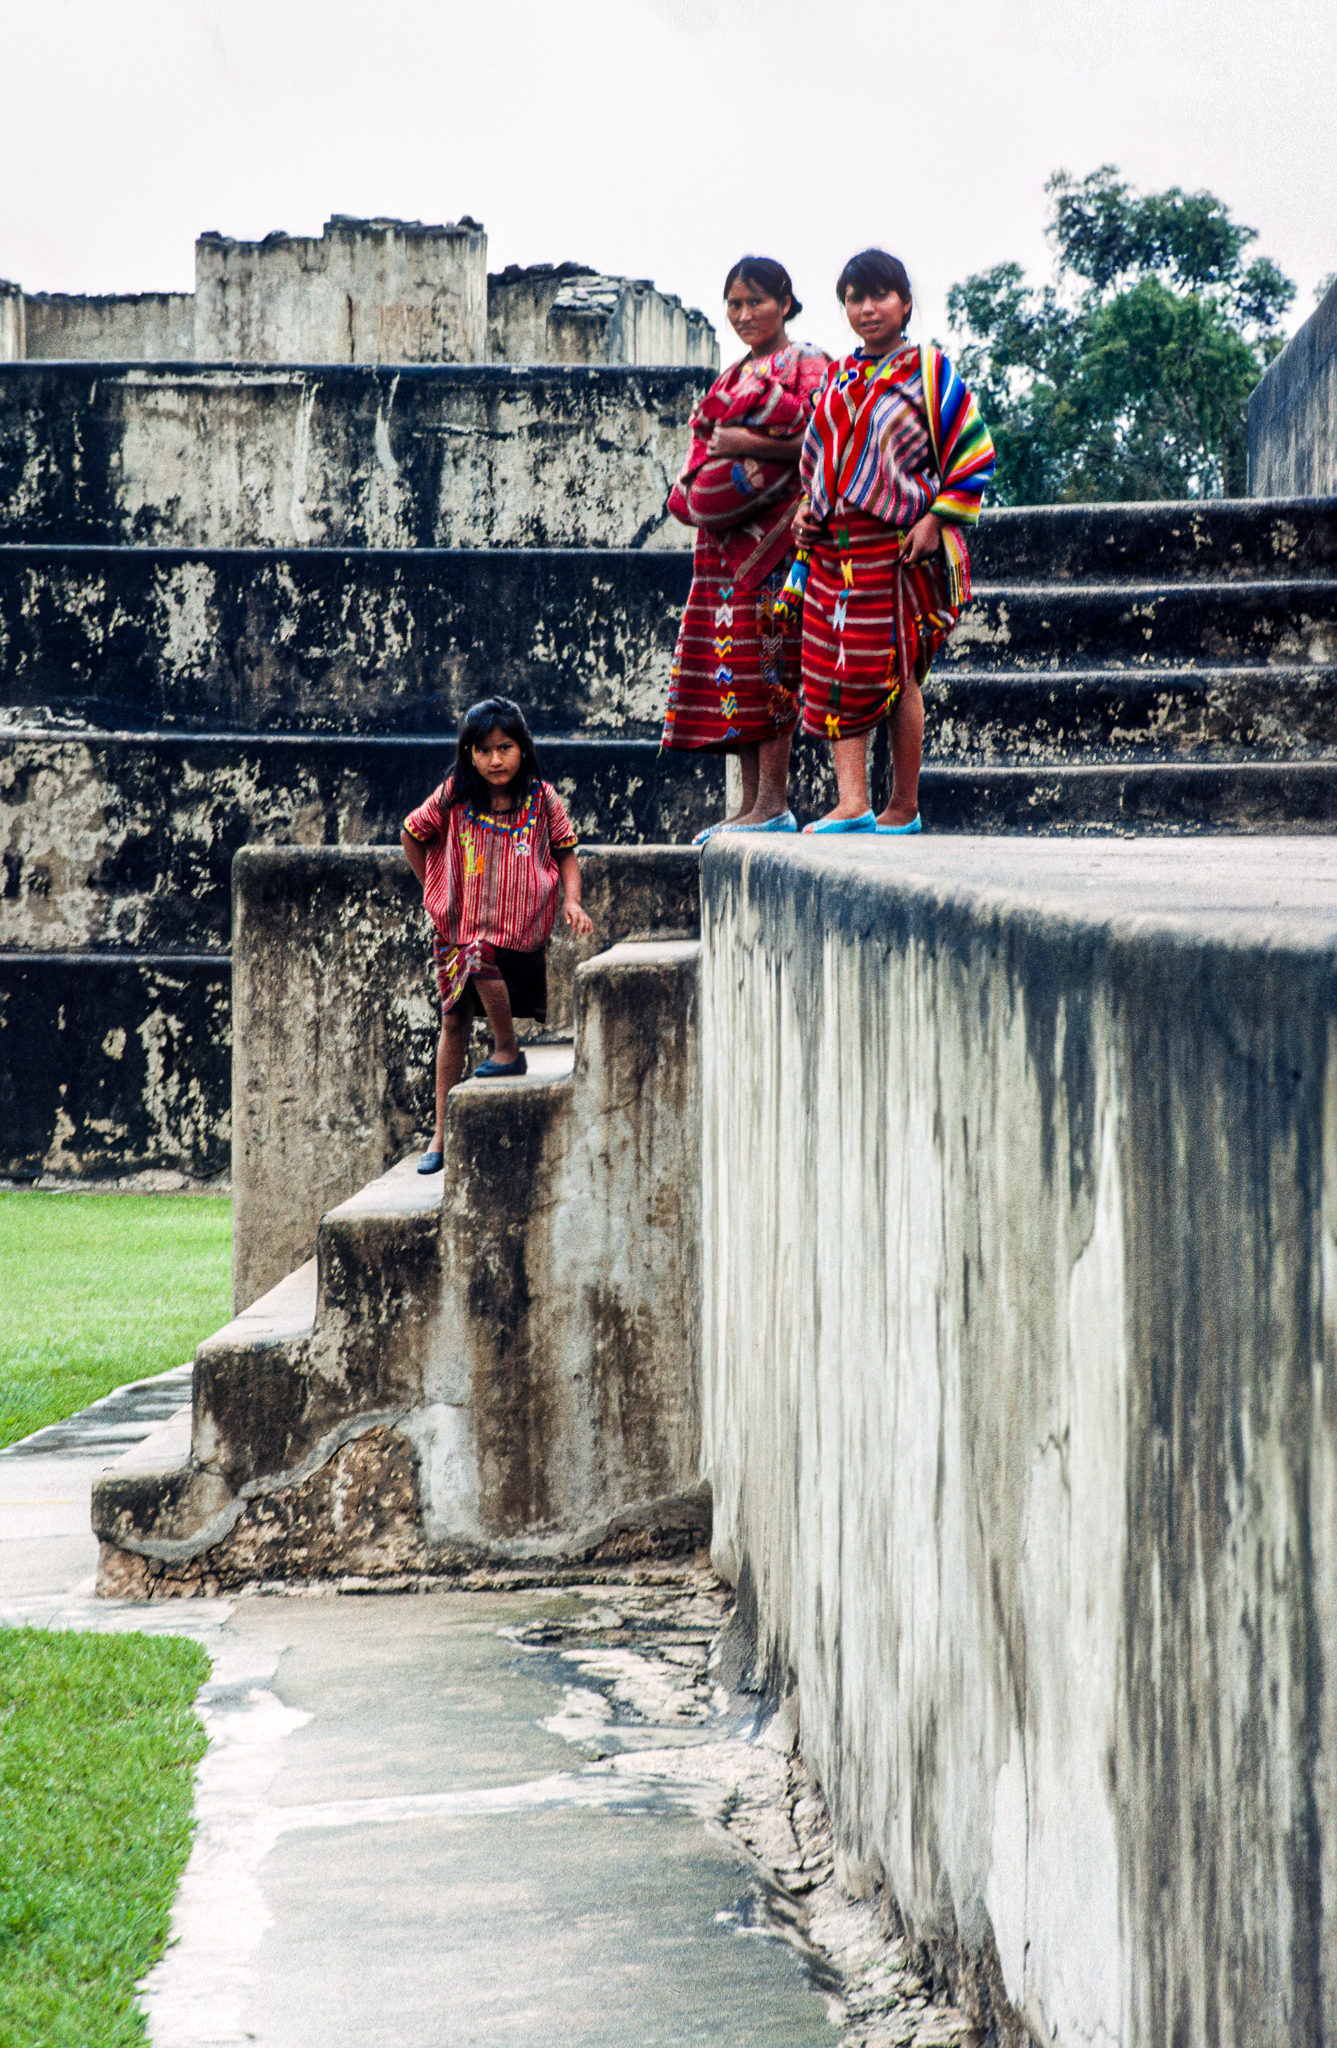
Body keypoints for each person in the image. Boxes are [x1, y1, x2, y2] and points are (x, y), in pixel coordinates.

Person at [787, 250, 995, 834]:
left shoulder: (930, 373)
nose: (867, 308)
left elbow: (972, 453)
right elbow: (817, 462)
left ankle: (902, 806)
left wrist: (936, 520)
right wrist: (807, 511)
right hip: (832, 549)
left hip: (897, 545)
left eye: (879, 295)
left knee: (898, 670)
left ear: (904, 303)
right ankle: (852, 802)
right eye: (855, 297)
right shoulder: (835, 378)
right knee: (833, 669)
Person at [661, 256, 829, 840]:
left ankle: (774, 803)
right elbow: (697, 459)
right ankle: (750, 803)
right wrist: (698, 484)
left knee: (772, 669)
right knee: (735, 673)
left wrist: (740, 441)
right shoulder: (729, 379)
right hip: (722, 558)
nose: (743, 314)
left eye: (756, 301)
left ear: (785, 302)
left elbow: (824, 436)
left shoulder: (809, 363)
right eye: (734, 303)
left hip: (780, 545)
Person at [401, 697, 593, 1176]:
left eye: (504, 747)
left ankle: (506, 1049)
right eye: (483, 750)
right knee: (453, 1023)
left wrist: (572, 900)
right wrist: (433, 885)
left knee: (481, 953)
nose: (494, 759)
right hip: (457, 926)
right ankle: (442, 1133)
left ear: (522, 749)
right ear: (469, 754)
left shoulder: (542, 798)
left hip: (518, 926)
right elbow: (411, 831)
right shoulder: (454, 796)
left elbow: (567, 851)